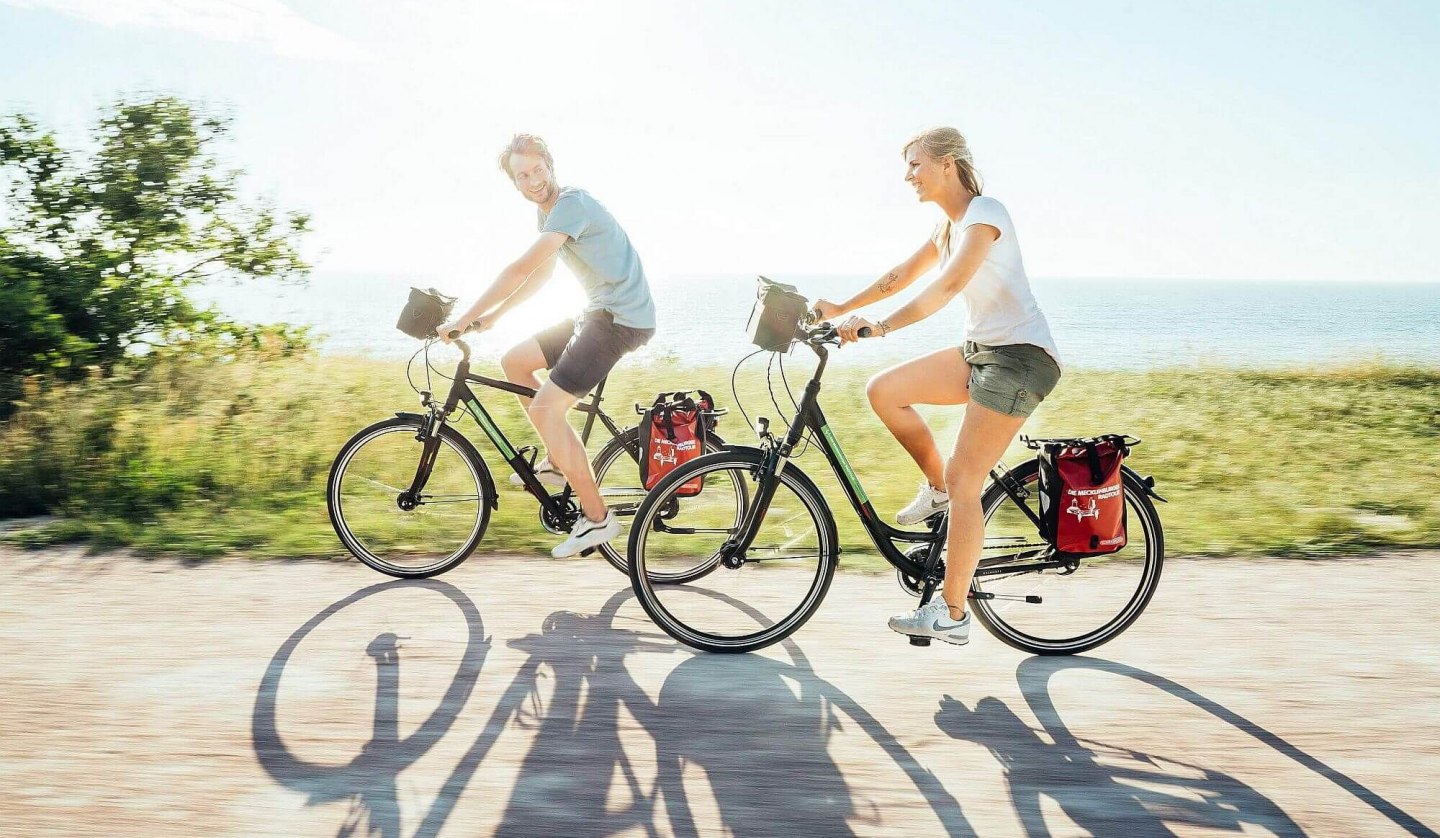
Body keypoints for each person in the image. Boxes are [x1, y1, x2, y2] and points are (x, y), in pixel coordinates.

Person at [812, 127, 1062, 647]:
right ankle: (938, 491)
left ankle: (952, 614)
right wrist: (841, 307)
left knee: (967, 477)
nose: (908, 176)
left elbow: (947, 287)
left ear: (948, 164)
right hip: (981, 353)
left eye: (915, 164)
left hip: (1020, 360)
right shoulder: (947, 227)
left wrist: (880, 327)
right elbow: (902, 275)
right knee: (885, 391)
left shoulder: (985, 214)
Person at [438, 134, 656, 558]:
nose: (533, 180)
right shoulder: (549, 216)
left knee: (545, 409)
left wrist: (463, 319)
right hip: (599, 313)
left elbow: (520, 267)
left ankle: (597, 519)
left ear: (551, 167)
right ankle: (559, 462)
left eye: (538, 170)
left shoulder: (571, 203)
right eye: (523, 175)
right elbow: (539, 276)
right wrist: (495, 317)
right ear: (514, 183)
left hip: (620, 319)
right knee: (515, 361)